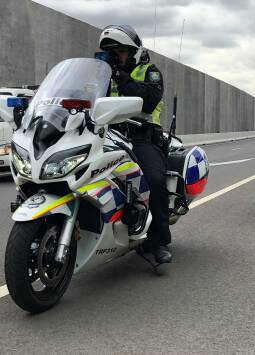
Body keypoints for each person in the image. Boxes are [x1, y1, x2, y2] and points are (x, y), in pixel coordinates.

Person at [98, 25, 172, 264]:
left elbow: (149, 101)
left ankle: (158, 241)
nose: (115, 56)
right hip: (108, 135)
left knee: (154, 180)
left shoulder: (149, 72)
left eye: (119, 51)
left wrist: (120, 74)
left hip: (142, 137)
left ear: (133, 52)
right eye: (111, 52)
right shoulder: (104, 76)